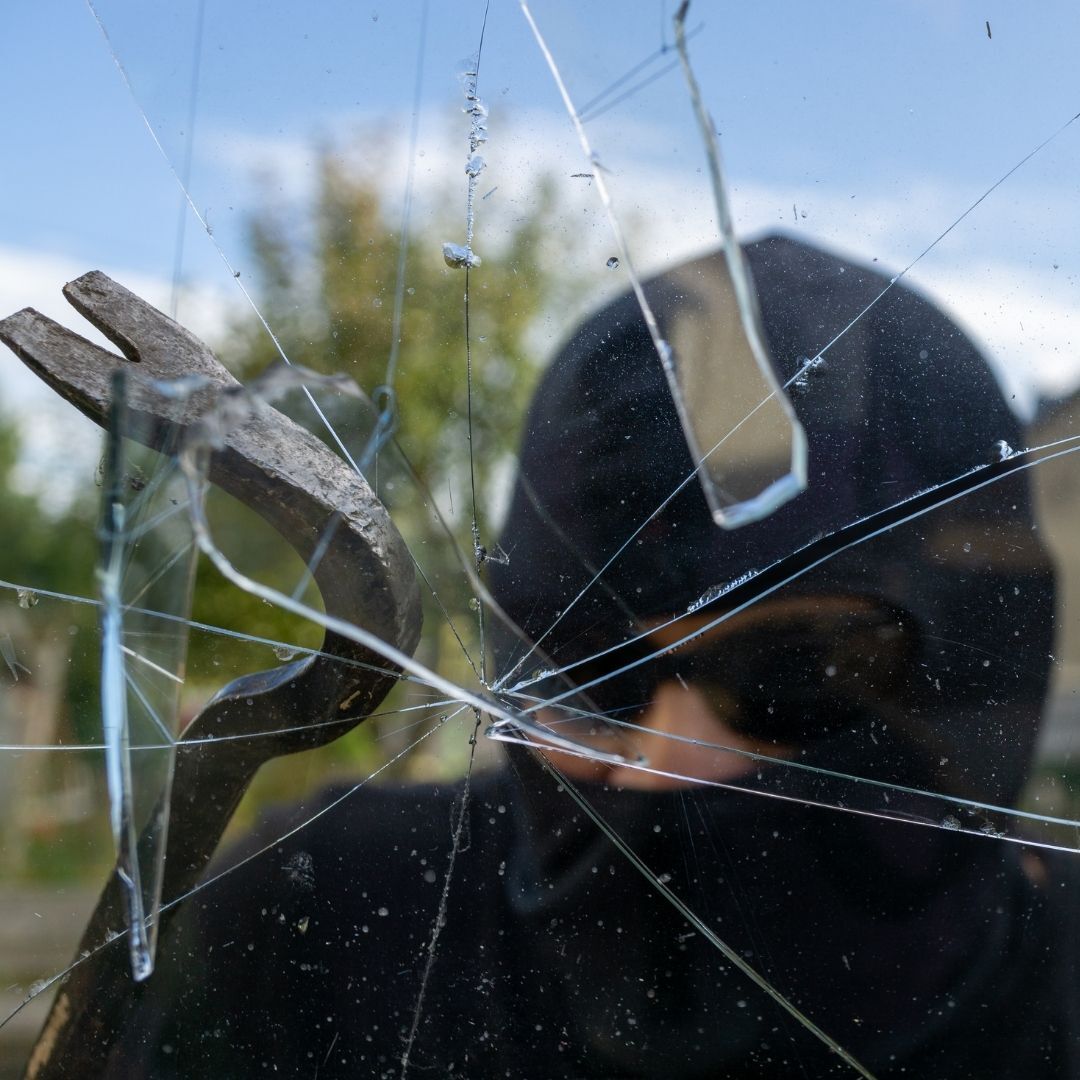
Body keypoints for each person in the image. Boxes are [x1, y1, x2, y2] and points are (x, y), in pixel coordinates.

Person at [105, 233, 1069, 1078]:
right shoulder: (318, 926)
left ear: (983, 668)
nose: (660, 766)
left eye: (793, 673)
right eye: (585, 675)